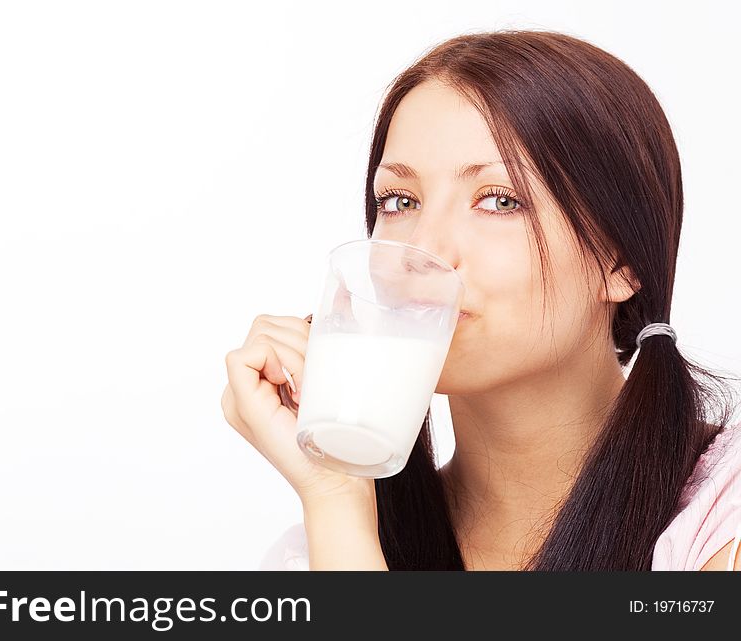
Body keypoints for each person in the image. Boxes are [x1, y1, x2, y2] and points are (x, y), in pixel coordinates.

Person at [221, 30, 741, 570]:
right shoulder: (325, 549)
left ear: (621, 262)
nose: (421, 249)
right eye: (400, 201)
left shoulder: (722, 511)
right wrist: (333, 494)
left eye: (498, 200)